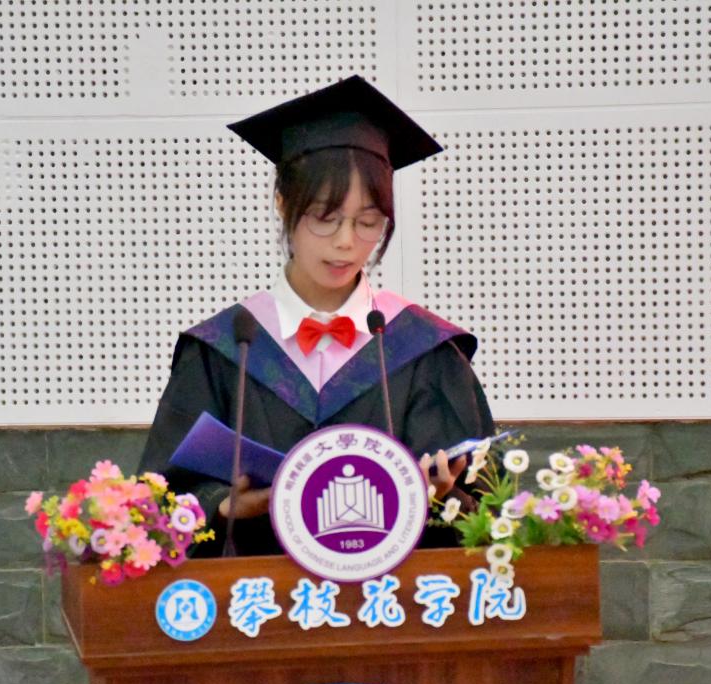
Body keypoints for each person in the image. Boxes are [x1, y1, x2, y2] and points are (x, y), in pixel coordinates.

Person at [137, 75, 495, 556]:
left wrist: (444, 496)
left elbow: (489, 515)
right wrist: (224, 506)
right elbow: (159, 503)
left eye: (368, 222)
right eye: (326, 218)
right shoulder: (227, 347)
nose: (347, 242)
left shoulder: (423, 348)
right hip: (255, 596)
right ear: (283, 204)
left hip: (393, 598)